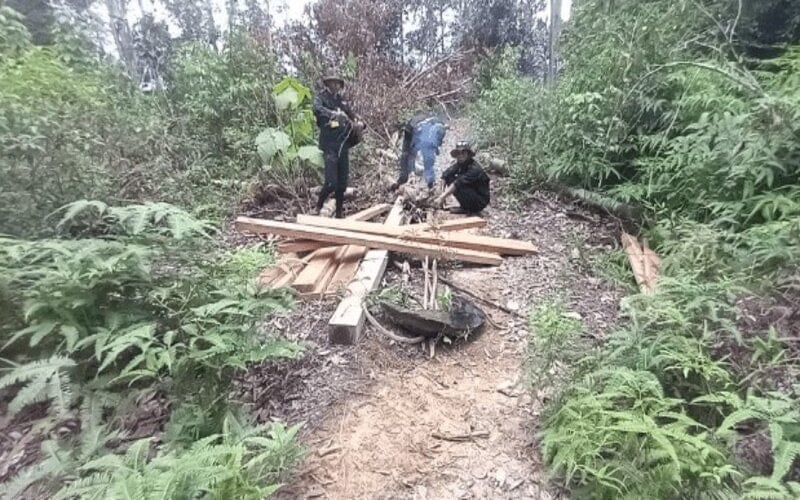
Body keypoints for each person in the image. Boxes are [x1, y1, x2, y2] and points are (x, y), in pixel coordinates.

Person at [312, 74, 363, 218]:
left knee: (342, 184)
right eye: (332, 83)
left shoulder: (342, 101)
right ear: (327, 84)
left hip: (343, 144)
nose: (335, 86)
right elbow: (317, 109)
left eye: (337, 84)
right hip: (329, 143)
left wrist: (359, 123)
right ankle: (319, 205)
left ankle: (339, 213)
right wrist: (333, 114)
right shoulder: (321, 98)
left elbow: (353, 115)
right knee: (331, 182)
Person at [390, 112, 446, 191]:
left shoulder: (440, 127)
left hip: (422, 127)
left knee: (428, 157)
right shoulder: (418, 131)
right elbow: (410, 154)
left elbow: (435, 144)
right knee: (407, 155)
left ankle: (430, 183)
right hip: (411, 129)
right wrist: (411, 172)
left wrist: (435, 148)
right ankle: (403, 179)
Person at [434, 141, 490, 214]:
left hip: (479, 200)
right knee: (450, 178)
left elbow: (458, 183)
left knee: (459, 184)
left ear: (468, 154)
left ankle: (469, 209)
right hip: (470, 192)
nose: (460, 156)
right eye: (458, 153)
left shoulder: (474, 169)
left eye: (463, 153)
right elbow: (445, 175)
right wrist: (441, 193)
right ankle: (464, 206)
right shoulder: (460, 164)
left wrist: (441, 197)